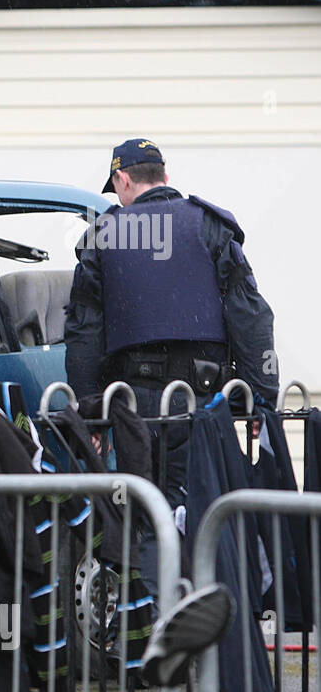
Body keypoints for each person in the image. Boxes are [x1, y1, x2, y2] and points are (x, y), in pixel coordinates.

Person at [64, 140, 278, 596]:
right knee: (205, 512)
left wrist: (90, 411)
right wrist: (261, 399)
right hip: (201, 402)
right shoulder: (209, 225)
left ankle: (157, 623)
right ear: (164, 174)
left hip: (135, 408)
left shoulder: (105, 235)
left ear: (122, 179)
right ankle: (212, 615)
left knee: (146, 517)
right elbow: (250, 315)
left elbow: (84, 331)